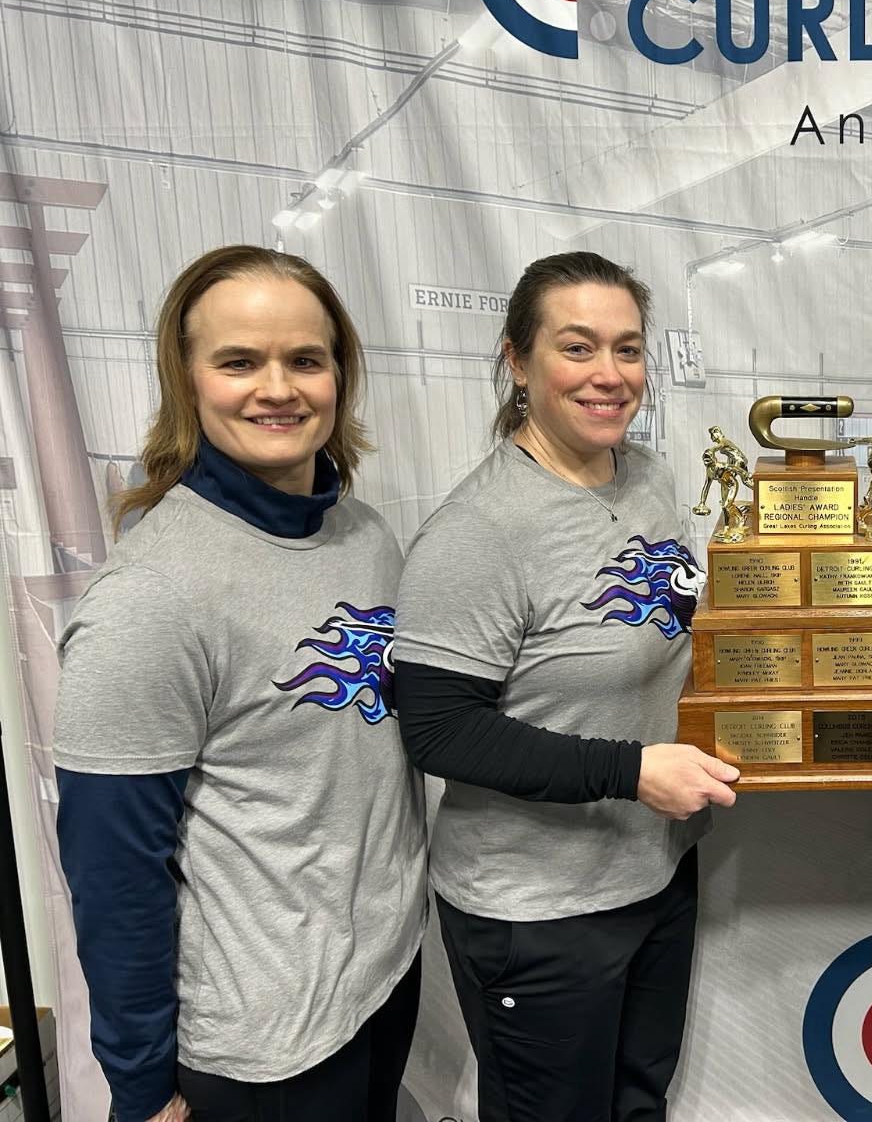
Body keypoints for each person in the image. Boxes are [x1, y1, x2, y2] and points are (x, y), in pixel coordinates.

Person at [53, 245, 427, 1122]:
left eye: (305, 359)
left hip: (382, 976)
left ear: (340, 374)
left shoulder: (365, 535)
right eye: (239, 362)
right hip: (265, 1044)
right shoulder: (150, 597)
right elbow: (114, 874)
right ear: (186, 380)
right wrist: (142, 1089)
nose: (278, 389)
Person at [392, 251, 739, 1122]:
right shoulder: (478, 531)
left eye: (628, 349)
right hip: (539, 911)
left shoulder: (647, 476)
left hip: (654, 871)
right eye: (577, 348)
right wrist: (631, 771)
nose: (609, 374)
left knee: (638, 1104)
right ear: (518, 361)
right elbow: (438, 731)